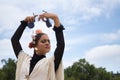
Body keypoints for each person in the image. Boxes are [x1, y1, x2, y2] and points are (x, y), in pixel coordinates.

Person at [11, 12, 65, 80]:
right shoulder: (24, 59)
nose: (47, 43)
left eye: (49, 41)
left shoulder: (50, 63)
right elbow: (14, 40)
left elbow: (61, 45)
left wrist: (55, 18)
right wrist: (24, 23)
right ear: (34, 45)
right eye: (43, 41)